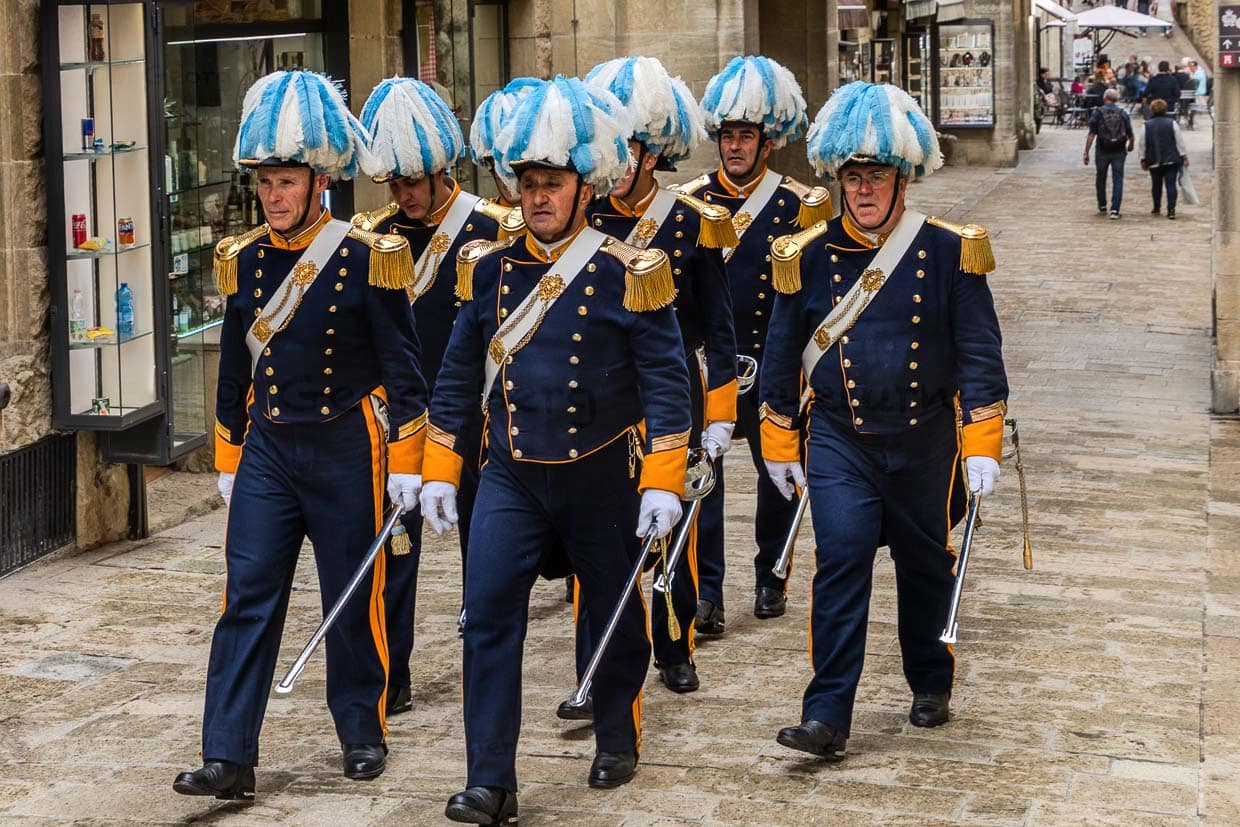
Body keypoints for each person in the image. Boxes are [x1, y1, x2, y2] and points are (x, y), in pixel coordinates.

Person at [421, 76, 692, 824]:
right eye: (529, 182)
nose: (539, 196)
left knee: (614, 608)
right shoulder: (486, 269)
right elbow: (454, 376)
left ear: (585, 184)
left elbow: (668, 384)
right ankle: (491, 780)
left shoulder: (628, 271)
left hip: (602, 469)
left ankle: (615, 732)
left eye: (553, 182)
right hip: (510, 472)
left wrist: (665, 479)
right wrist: (440, 466)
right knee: (488, 615)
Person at [172, 71, 428, 799]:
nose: (273, 196)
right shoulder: (244, 258)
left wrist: (406, 460)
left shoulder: (364, 255)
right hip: (270, 450)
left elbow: (404, 370)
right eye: (265, 184)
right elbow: (233, 370)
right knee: (247, 594)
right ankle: (228, 753)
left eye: (285, 182)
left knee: (351, 594)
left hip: (346, 443)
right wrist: (228, 453)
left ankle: (361, 730)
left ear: (319, 181)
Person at [761, 80, 1008, 761]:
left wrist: (982, 441)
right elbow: (781, 355)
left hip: (927, 438)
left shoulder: (951, 249)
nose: (863, 188)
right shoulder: (805, 256)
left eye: (876, 175)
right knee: (840, 559)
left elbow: (982, 353)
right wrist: (779, 439)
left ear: (904, 175)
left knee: (925, 565)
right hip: (841, 438)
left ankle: (931, 679)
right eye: (852, 175)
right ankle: (826, 714)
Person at [354, 77, 519, 715]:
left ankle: (486, 653)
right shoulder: (375, 237)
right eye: (393, 185)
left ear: (442, 169)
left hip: (473, 419)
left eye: (414, 183)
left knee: (485, 550)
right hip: (401, 422)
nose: (403, 196)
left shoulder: (492, 228)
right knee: (394, 556)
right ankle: (391, 678)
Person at [576, 56, 738, 698]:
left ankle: (675, 644)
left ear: (652, 152)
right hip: (603, 394)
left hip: (673, 391)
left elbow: (717, 324)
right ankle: (605, 654)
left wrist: (722, 410)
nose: (622, 160)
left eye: (633, 147)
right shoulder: (582, 217)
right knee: (607, 532)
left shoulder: (691, 219)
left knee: (674, 524)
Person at [682, 55, 830, 635]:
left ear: (767, 144)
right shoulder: (691, 204)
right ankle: (708, 590)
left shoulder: (800, 205)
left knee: (778, 470)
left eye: (746, 136)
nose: (735, 146)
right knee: (705, 478)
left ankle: (772, 574)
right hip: (712, 363)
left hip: (775, 362)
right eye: (728, 136)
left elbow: (814, 295)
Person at [1084, 88, 1134, 218]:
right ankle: (1115, 209)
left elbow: (1091, 134)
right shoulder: (1122, 113)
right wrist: (1130, 145)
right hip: (1118, 149)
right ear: (1116, 99)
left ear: (1105, 98)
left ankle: (1102, 204)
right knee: (1118, 179)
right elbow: (1130, 132)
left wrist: (1086, 152)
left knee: (1101, 177)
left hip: (1102, 149)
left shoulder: (1098, 113)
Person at [1138, 98, 1189, 218]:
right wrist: (1184, 156)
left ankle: (1156, 207)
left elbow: (1142, 144)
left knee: (1156, 184)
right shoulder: (1172, 123)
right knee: (1171, 184)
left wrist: (1143, 158)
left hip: (1154, 158)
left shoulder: (1146, 125)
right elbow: (1179, 141)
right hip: (1171, 158)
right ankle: (1171, 209)